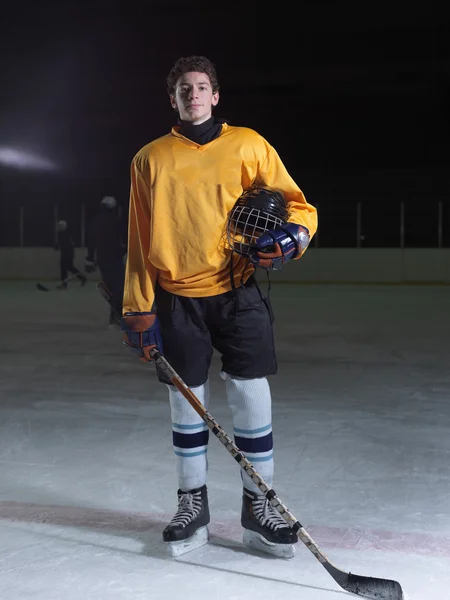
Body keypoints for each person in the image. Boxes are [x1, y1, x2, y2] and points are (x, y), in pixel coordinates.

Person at [120, 55, 318, 558]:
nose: (193, 94)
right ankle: (193, 506)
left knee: (253, 393)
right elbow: (139, 241)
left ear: (215, 95)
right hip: (177, 298)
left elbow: (300, 207)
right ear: (173, 98)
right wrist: (138, 308)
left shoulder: (249, 144)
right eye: (183, 88)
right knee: (186, 403)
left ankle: (259, 507)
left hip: (239, 291)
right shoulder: (150, 159)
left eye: (201, 86)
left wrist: (292, 237)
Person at [85, 196, 126, 326]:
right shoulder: (115, 221)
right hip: (114, 258)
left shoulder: (96, 221)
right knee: (118, 287)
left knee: (111, 287)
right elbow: (119, 241)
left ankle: (115, 316)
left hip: (102, 258)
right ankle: (118, 316)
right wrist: (123, 249)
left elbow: (91, 242)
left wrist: (90, 258)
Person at [55, 220, 86, 289]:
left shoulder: (65, 233)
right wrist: (58, 245)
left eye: (60, 226)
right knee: (65, 267)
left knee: (68, 267)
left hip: (68, 253)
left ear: (64, 226)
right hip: (65, 252)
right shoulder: (62, 233)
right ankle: (65, 283)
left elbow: (65, 243)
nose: (59, 227)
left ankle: (80, 278)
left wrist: (58, 245)